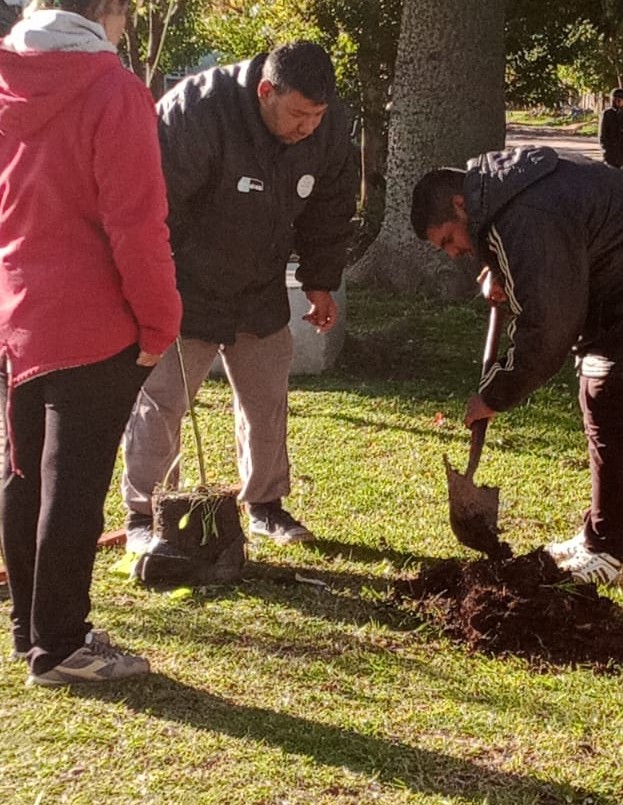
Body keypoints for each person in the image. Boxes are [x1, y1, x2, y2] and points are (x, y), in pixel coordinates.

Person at [0, 0, 183, 685]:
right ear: (110, 9)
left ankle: (31, 631)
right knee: (73, 485)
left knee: (24, 473)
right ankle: (59, 645)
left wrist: (0, 293)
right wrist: (160, 322)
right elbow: (138, 224)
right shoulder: (115, 91)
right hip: (90, 322)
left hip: (9, 315)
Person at [410, 146, 623, 585]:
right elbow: (551, 252)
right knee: (597, 399)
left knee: (621, 406)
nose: (453, 253)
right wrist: (503, 268)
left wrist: (495, 395)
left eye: (448, 240)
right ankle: (595, 534)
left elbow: (549, 326)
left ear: (461, 205)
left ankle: (607, 552)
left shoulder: (524, 215)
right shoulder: (506, 193)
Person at [121, 41, 358, 550]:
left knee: (266, 397)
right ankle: (146, 512)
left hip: (261, 285)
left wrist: (319, 278)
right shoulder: (196, 112)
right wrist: (152, 291)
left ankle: (265, 505)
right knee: (162, 401)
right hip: (185, 286)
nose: (308, 127)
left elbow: (332, 205)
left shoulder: (328, 125)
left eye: (317, 115)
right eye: (298, 114)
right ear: (266, 91)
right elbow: (151, 207)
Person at [598, 87, 623, 169]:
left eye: (621, 99)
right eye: (617, 99)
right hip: (610, 153)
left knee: (620, 177)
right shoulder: (607, 114)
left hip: (622, 152)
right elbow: (602, 134)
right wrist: (605, 150)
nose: (619, 101)